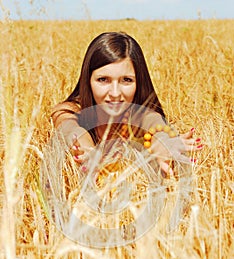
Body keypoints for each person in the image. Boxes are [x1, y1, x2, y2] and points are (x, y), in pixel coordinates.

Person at [51, 31, 203, 175]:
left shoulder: (140, 115)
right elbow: (69, 127)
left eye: (127, 80)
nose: (115, 93)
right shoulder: (70, 110)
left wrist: (162, 140)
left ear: (139, 82)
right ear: (88, 80)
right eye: (103, 80)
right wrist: (86, 148)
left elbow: (153, 121)